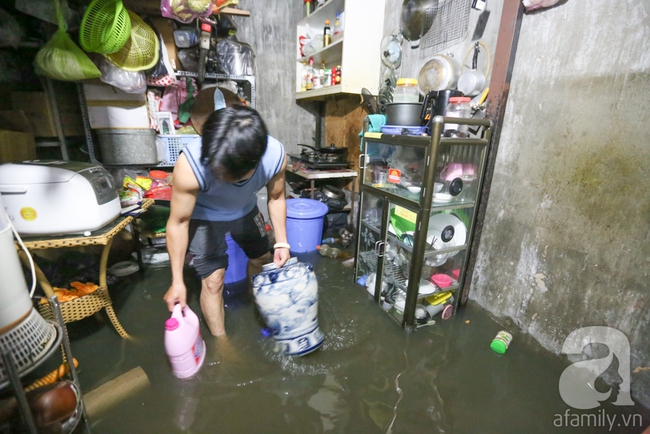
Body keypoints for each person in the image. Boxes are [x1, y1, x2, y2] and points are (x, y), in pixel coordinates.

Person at [164, 87, 290, 337]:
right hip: (204, 216)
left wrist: (283, 242)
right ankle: (223, 347)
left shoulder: (274, 154)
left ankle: (259, 307)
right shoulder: (191, 164)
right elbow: (178, 222)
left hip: (245, 210)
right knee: (213, 280)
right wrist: (177, 281)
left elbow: (276, 198)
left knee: (262, 260)